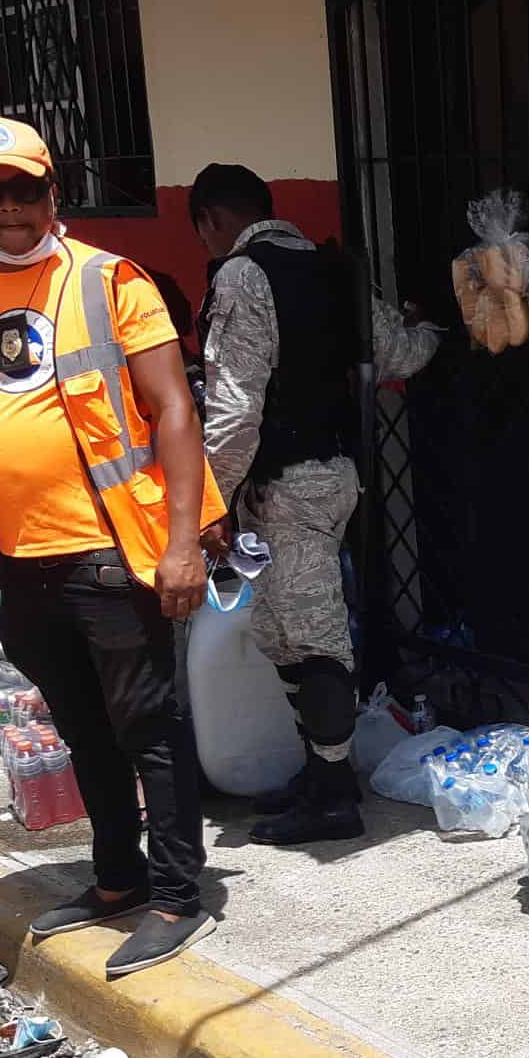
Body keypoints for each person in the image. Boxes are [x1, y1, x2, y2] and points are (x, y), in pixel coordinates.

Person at [0, 117, 228, 978]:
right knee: (84, 731)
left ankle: (174, 896)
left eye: (25, 190)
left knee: (147, 728)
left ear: (54, 192)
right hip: (19, 557)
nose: (10, 208)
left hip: (110, 550)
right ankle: (118, 881)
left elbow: (173, 410)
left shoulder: (108, 281)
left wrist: (182, 543)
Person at [190, 163, 371, 844]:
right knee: (278, 631)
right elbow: (397, 349)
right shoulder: (332, 269)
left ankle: (334, 797)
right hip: (325, 474)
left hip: (289, 484)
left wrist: (211, 499)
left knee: (314, 634)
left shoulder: (241, 275)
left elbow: (235, 411)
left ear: (210, 219)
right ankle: (319, 772)